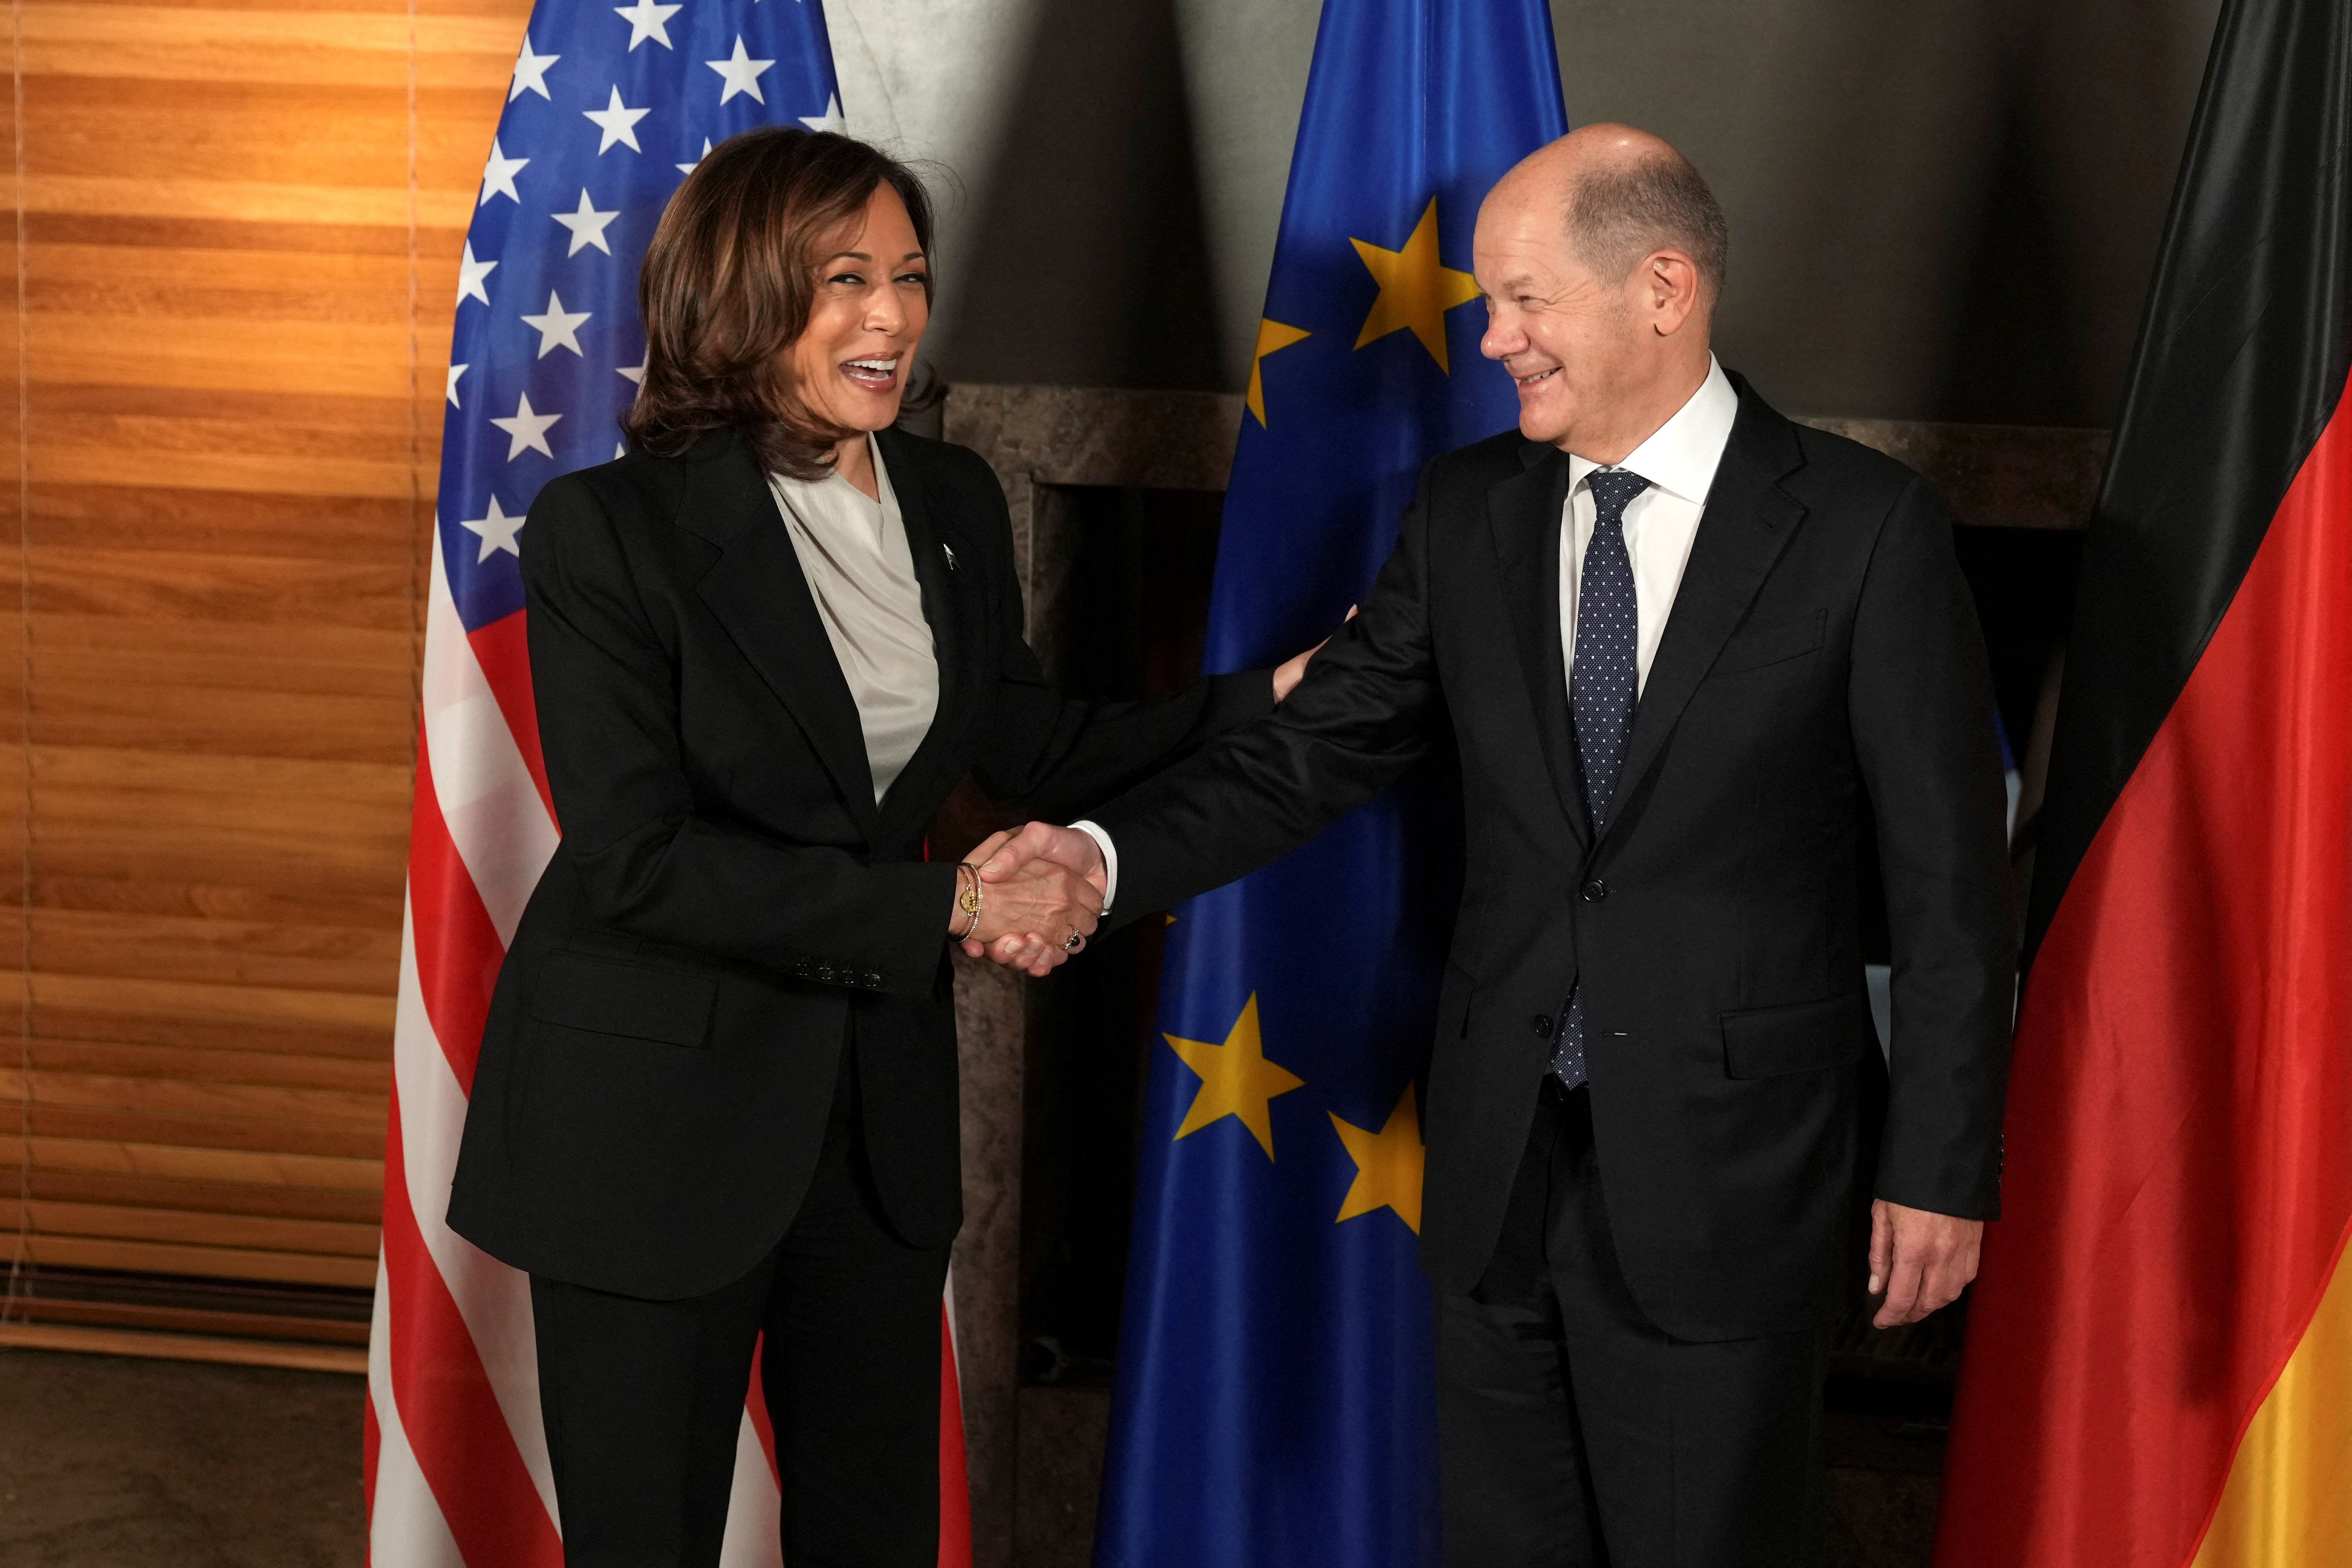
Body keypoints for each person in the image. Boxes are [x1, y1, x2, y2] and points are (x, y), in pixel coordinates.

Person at [973, 125, 2013, 1566]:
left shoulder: (1861, 530)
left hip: (1732, 1174)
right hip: (1498, 1165)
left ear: (1663, 288)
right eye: (1484, 304)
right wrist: (1101, 858)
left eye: (1525, 301)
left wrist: (1942, 1165)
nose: (1492, 340)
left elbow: (1953, 889)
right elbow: (1309, 755)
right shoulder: (1466, 513)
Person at [447, 127, 1323, 1568]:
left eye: (909, 276)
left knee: (876, 1536)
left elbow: (1032, 751)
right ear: (739, 295)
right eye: (843, 277)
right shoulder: (607, 529)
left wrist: (1275, 697)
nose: (894, 316)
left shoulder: (953, 502)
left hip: (872, 1126)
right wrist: (943, 910)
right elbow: (636, 859)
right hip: (649, 1121)